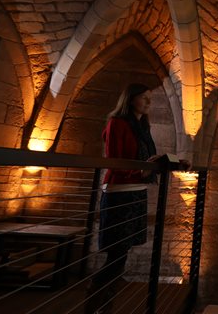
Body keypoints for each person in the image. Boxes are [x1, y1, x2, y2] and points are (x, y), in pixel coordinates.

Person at [85, 83, 160, 314]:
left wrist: (170, 162)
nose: (148, 102)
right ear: (130, 99)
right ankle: (93, 303)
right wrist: (141, 171)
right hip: (119, 192)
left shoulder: (142, 126)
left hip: (136, 191)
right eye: (144, 98)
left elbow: (147, 159)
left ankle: (104, 305)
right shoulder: (117, 123)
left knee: (121, 255)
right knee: (117, 255)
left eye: (150, 98)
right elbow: (115, 159)